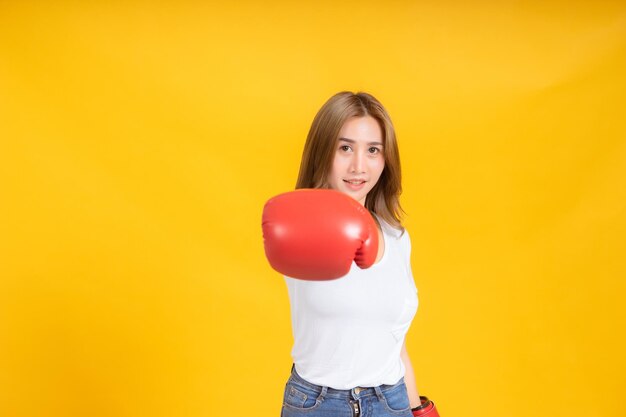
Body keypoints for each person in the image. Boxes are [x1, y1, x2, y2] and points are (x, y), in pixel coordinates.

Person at [271, 91, 437, 417]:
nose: (358, 166)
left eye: (373, 150)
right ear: (323, 152)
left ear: (386, 159)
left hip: (392, 402)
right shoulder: (297, 225)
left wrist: (419, 410)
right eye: (345, 148)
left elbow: (395, 344)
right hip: (319, 405)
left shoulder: (397, 237)